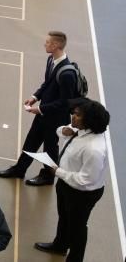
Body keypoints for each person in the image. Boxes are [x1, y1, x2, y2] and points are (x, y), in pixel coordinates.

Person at [0, 31, 83, 186]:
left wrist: (40, 109)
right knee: (31, 142)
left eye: (48, 42)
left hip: (55, 119)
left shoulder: (67, 74)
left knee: (50, 149)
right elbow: (47, 84)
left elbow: (65, 102)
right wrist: (35, 97)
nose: (45, 44)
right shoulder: (51, 59)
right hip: (44, 114)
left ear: (56, 45)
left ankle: (48, 177)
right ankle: (19, 169)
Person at [34, 99, 110, 261]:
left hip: (82, 193)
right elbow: (62, 132)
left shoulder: (94, 149)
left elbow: (86, 180)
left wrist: (58, 172)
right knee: (64, 217)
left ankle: (75, 258)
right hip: (67, 183)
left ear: (88, 120)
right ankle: (60, 245)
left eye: (77, 115)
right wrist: (65, 130)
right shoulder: (80, 130)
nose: (72, 116)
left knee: (77, 227)